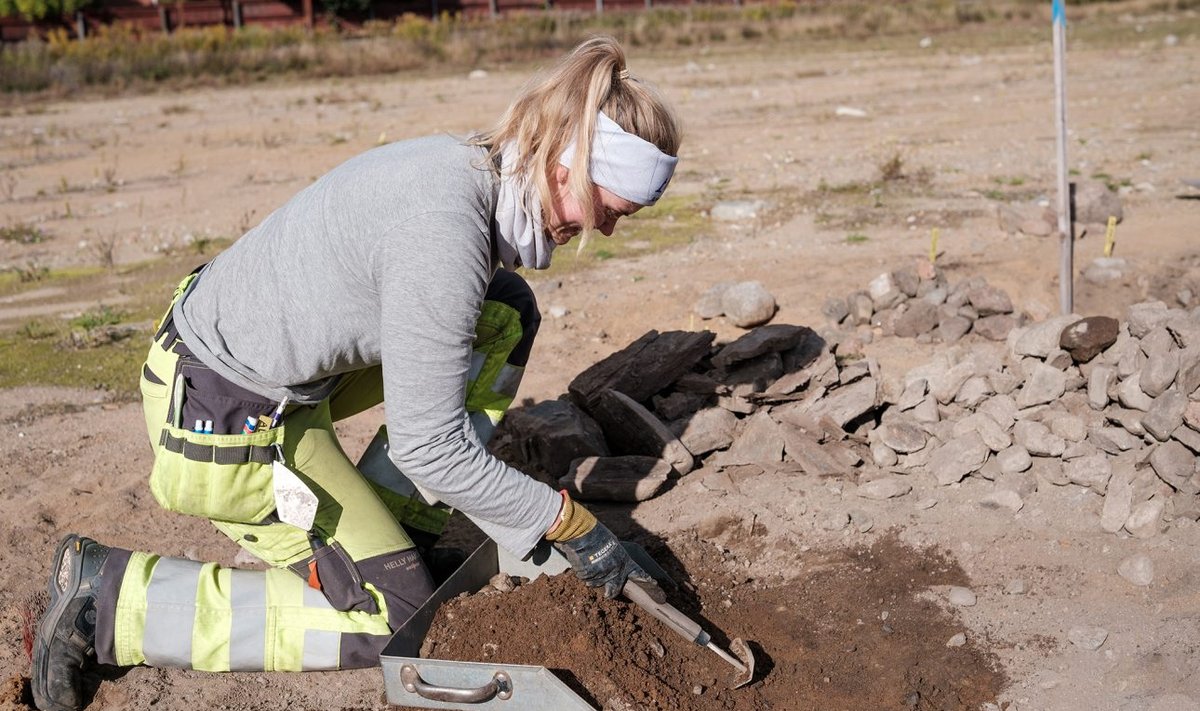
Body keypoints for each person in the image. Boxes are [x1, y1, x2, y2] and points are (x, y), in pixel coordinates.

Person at [31, 35, 681, 711]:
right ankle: (107, 597)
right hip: (223, 417)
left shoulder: (475, 173)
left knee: (503, 313)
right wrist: (566, 523)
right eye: (611, 210)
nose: (605, 230)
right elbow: (431, 445)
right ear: (567, 166)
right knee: (391, 618)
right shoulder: (444, 229)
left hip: (278, 384)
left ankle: (392, 530)